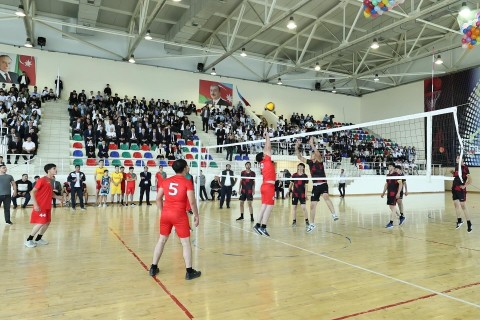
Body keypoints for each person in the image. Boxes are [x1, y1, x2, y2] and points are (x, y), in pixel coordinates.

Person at [149, 159, 201, 280]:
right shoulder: (187, 182)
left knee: (161, 240)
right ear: (184, 168)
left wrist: (163, 212)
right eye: (187, 166)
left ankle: (153, 267)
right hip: (179, 215)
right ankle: (189, 271)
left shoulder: (166, 181)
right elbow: (192, 202)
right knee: (185, 243)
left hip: (166, 214)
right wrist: (197, 215)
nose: (188, 168)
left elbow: (158, 199)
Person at [295, 137, 338, 233]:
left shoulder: (320, 161)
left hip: (323, 184)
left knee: (326, 196)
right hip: (315, 186)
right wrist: (296, 147)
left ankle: (334, 214)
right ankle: (312, 224)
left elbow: (318, 154)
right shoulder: (310, 163)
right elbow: (299, 157)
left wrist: (312, 145)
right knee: (312, 206)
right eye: (311, 154)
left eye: (312, 154)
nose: (311, 155)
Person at [24, 164, 64, 248]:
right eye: (54, 168)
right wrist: (35, 204)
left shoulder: (51, 180)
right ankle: (28, 240)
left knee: (47, 222)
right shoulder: (42, 180)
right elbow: (32, 192)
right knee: (40, 222)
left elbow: (50, 192)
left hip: (47, 205)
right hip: (40, 205)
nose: (56, 170)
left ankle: (38, 239)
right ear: (49, 170)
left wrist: (57, 197)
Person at [253, 131, 275, 237]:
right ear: (263, 157)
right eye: (264, 154)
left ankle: (257, 225)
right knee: (269, 206)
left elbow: (266, 149)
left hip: (264, 186)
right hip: (269, 186)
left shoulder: (262, 163)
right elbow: (268, 147)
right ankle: (263, 227)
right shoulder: (266, 160)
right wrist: (267, 136)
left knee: (264, 206)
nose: (265, 153)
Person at [451, 155, 472, 232]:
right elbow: (457, 177)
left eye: (458, 158)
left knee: (463, 206)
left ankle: (469, 223)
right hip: (454, 188)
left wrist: (464, 186)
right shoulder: (457, 167)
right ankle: (459, 221)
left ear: (462, 159)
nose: (457, 159)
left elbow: (470, 180)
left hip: (461, 190)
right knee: (456, 204)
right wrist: (453, 172)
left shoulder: (465, 168)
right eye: (456, 158)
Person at [381, 163, 404, 229]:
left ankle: (391, 223)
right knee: (391, 207)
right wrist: (383, 192)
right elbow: (386, 184)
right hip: (389, 193)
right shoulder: (388, 175)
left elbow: (400, 184)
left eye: (390, 166)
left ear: (393, 167)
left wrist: (398, 193)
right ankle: (400, 217)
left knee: (393, 207)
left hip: (394, 193)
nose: (389, 167)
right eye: (388, 166)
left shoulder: (397, 175)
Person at [289, 163, 309, 227]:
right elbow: (291, 183)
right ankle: (294, 221)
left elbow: (306, 186)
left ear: (303, 168)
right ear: (297, 167)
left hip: (302, 194)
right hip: (295, 193)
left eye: (301, 167)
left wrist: (306, 194)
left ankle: (307, 221)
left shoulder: (305, 176)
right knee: (294, 207)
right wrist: (288, 191)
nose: (300, 168)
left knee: (304, 207)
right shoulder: (294, 175)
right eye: (299, 167)